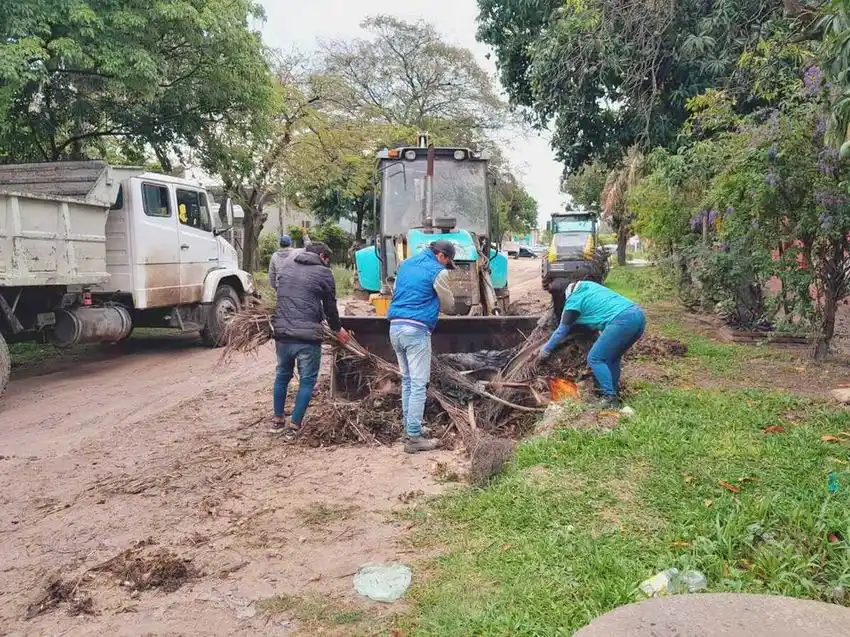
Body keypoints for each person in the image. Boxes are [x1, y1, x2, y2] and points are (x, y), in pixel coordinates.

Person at [269, 241, 349, 439]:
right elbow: (330, 308)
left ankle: (277, 420)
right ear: (322, 256)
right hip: (307, 337)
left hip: (282, 334)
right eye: (327, 260)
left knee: (282, 375)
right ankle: (294, 424)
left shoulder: (286, 266)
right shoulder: (324, 273)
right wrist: (338, 330)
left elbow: (282, 294)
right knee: (307, 381)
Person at [387, 240, 456, 453]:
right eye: (447, 262)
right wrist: (453, 307)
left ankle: (410, 427)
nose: (446, 266)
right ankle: (414, 438)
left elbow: (398, 291)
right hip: (416, 331)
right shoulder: (438, 271)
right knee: (419, 384)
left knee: (407, 381)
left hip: (395, 327)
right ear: (442, 256)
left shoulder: (406, 264)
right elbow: (448, 305)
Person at [537, 280, 645, 409]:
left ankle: (609, 397)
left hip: (621, 321)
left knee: (595, 358)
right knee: (612, 358)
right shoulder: (587, 285)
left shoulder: (573, 302)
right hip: (638, 316)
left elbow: (561, 331)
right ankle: (614, 395)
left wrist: (546, 350)